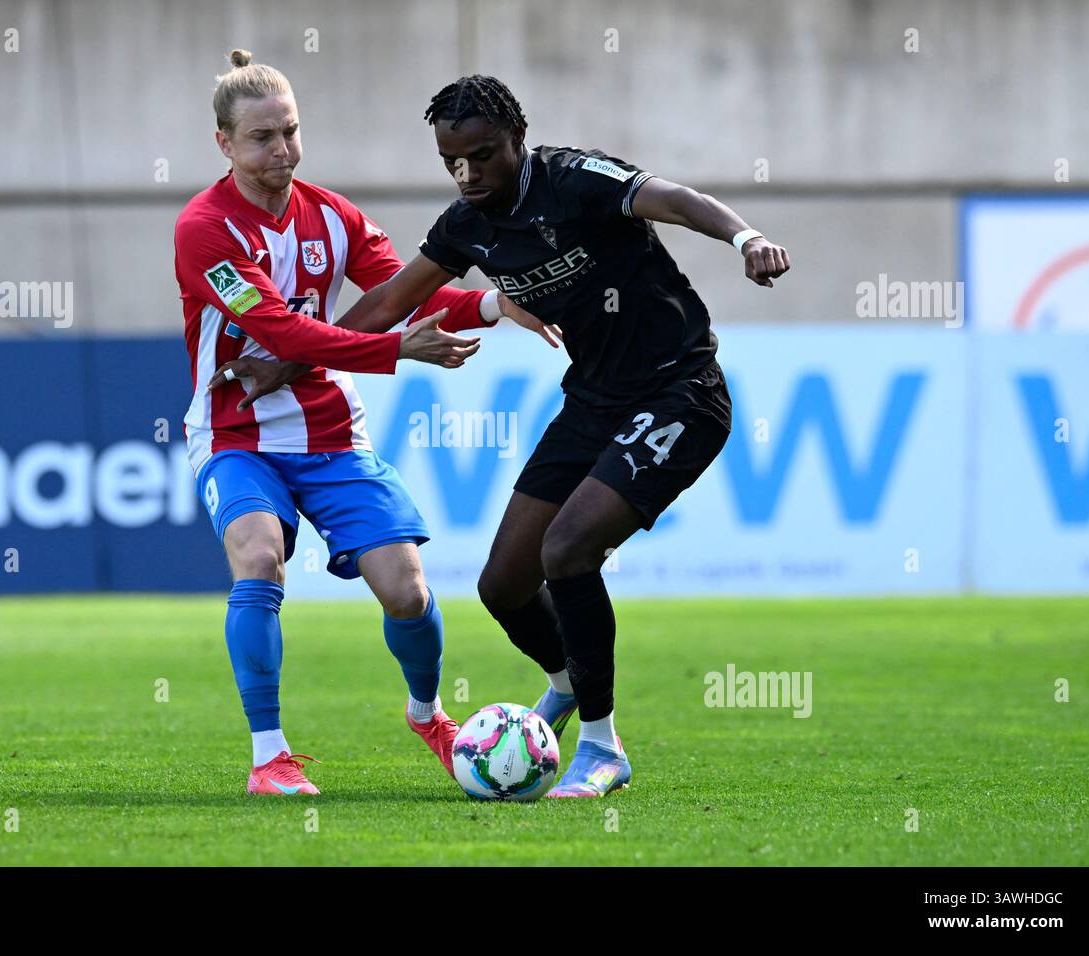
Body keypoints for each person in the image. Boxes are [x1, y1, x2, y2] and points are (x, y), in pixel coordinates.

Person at [237, 74, 791, 797]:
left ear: (517, 141)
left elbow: (676, 200)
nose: (467, 174)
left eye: (482, 155)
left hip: (679, 388)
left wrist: (746, 237)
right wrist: (290, 359)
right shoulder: (465, 224)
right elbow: (388, 302)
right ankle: (565, 684)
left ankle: (601, 745)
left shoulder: (576, 180)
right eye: (450, 161)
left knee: (569, 550)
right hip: (592, 401)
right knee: (503, 585)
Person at [175, 53, 547, 796]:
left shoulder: (334, 217)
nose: (281, 150)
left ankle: (427, 716)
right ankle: (269, 756)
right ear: (224, 145)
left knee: (407, 591)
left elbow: (405, 295)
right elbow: (281, 334)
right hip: (237, 435)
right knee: (258, 560)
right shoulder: (204, 230)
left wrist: (495, 304)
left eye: (290, 131)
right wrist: (391, 350)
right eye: (261, 138)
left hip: (332, 436)